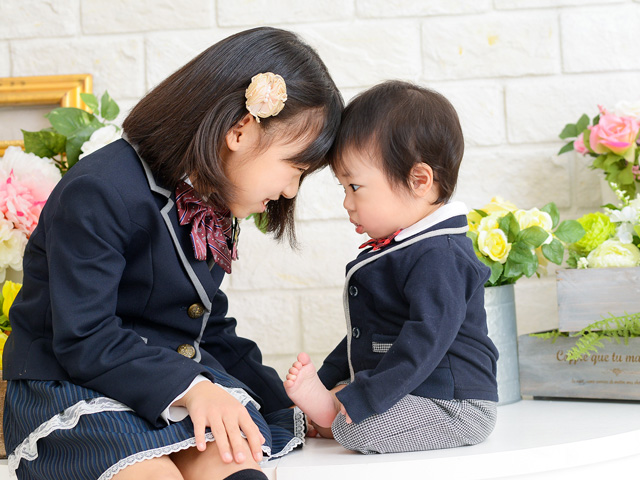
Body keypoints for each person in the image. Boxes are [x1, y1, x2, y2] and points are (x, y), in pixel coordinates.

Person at [2, 27, 342, 480]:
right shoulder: (98, 190)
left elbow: (210, 329)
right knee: (151, 473)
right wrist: (191, 388)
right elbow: (85, 336)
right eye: (295, 168)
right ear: (240, 131)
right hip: (73, 386)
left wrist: (298, 406)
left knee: (233, 460)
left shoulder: (206, 203)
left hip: (168, 386)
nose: (289, 190)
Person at [284, 80, 499, 454]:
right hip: (418, 394)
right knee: (350, 406)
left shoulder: (441, 255)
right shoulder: (405, 248)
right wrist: (329, 378)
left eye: (355, 187)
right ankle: (330, 405)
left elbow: (425, 341)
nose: (347, 204)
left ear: (419, 180)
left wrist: (363, 398)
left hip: (456, 404)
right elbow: (363, 334)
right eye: (343, 189)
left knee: (358, 430)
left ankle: (330, 412)